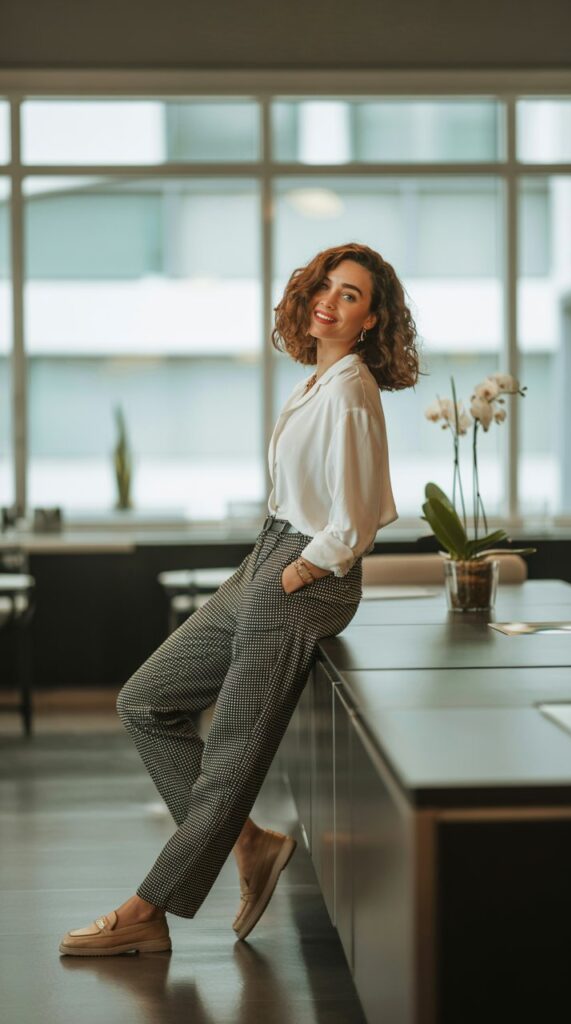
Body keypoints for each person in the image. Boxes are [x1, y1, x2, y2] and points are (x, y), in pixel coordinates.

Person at [58, 241, 421, 956]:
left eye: (350, 294)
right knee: (146, 699)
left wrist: (297, 574)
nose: (329, 299)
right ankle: (251, 844)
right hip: (269, 553)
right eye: (324, 285)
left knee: (232, 752)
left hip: (304, 571)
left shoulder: (350, 388)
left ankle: (146, 911)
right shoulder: (317, 381)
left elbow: (354, 522)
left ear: (372, 320)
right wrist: (272, 566)